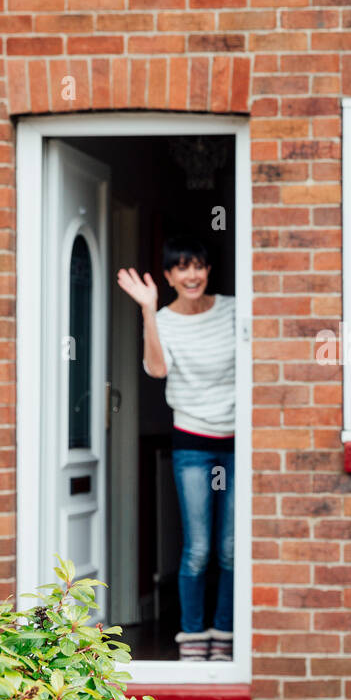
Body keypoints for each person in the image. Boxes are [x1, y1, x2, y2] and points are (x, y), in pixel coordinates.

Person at [117, 236, 235, 663]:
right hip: (192, 443)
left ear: (207, 270)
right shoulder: (163, 318)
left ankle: (223, 634)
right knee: (200, 547)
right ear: (168, 276)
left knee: (230, 547)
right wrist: (148, 309)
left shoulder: (233, 309)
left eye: (197, 265)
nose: (191, 275)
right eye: (181, 268)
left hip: (238, 443)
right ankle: (191, 637)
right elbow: (157, 368)